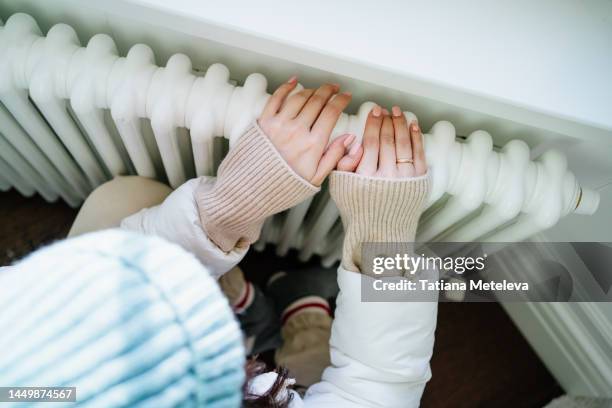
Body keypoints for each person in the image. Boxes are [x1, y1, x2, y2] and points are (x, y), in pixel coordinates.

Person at [1, 77, 436, 407]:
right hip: (268, 386)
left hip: (202, 360)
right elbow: (377, 388)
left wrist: (231, 205)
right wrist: (386, 245)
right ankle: (287, 312)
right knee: (313, 359)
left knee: (126, 202)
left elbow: (90, 297)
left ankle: (245, 309)